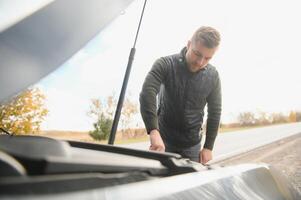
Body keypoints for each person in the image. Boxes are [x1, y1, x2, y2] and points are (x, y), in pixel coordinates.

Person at [139, 26, 221, 164]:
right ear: (189, 44)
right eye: (197, 54)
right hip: (163, 142)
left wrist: (208, 147)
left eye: (207, 58)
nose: (201, 62)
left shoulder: (213, 76)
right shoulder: (165, 64)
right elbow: (148, 92)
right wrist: (153, 131)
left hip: (192, 147)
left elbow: (215, 111)